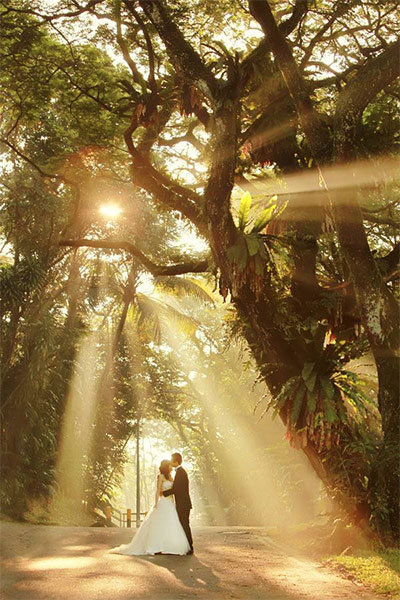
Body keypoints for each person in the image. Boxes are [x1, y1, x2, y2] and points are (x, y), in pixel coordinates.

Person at [109, 459, 190, 556]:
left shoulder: (171, 477)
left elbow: (175, 489)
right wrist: (156, 503)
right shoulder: (161, 476)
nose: (171, 467)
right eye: (169, 465)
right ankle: (157, 546)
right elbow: (158, 490)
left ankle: (170, 546)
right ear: (166, 467)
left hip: (171, 503)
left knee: (171, 523)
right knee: (160, 524)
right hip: (164, 502)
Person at [162, 452, 193, 554]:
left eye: (172, 461)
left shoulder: (181, 472)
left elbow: (176, 489)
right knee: (183, 524)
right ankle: (187, 546)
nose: (171, 463)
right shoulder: (180, 472)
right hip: (183, 503)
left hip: (183, 504)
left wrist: (164, 493)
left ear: (176, 462)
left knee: (184, 524)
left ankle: (189, 547)